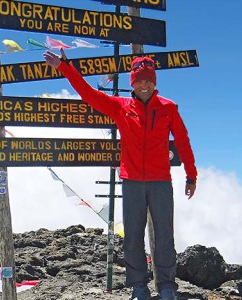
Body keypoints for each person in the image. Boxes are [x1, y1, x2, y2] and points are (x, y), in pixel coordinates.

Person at [44, 49, 197, 300]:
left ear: (154, 81)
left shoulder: (169, 108)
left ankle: (167, 286)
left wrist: (191, 176)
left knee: (164, 234)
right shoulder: (120, 107)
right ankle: (139, 286)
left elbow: (183, 142)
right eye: (139, 81)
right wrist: (65, 67)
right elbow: (89, 94)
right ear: (132, 84)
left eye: (148, 80)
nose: (144, 85)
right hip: (132, 181)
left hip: (161, 181)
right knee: (133, 236)